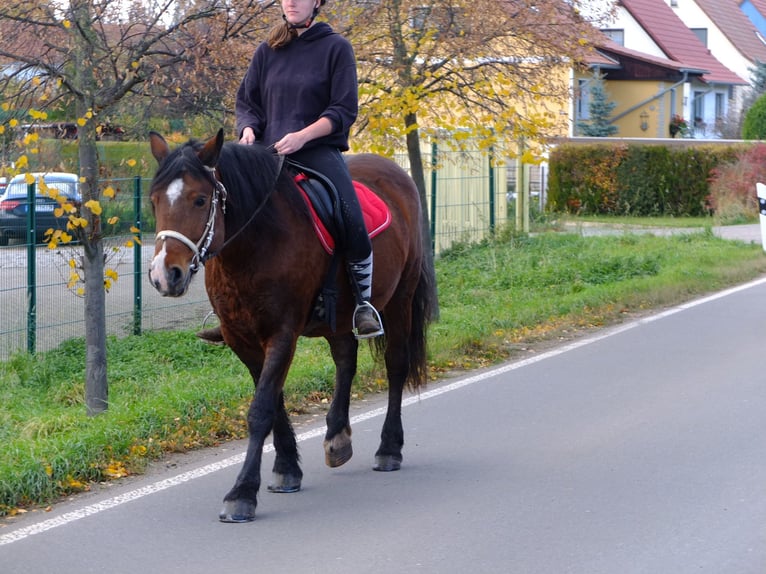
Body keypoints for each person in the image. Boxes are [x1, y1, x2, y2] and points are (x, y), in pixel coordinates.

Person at [198, 0, 383, 343]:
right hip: (266, 154)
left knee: (349, 214)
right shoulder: (267, 51)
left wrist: (302, 136)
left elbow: (343, 109)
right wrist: (248, 130)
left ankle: (363, 304)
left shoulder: (336, 48)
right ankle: (229, 308)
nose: (292, 1)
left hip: (316, 151)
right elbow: (247, 103)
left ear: (318, 2)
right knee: (227, 210)